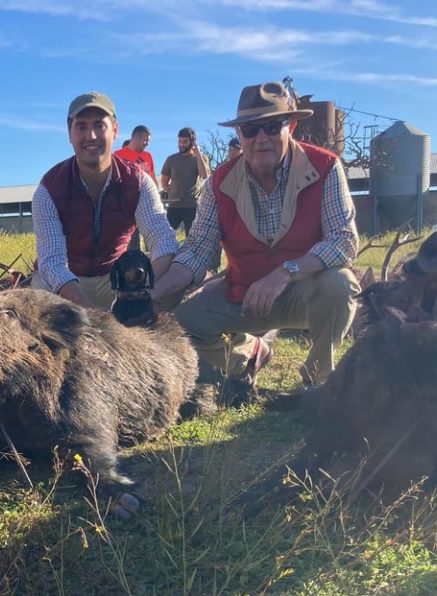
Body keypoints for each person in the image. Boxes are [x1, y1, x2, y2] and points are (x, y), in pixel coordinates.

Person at [152, 81, 359, 391]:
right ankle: (244, 359)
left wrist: (284, 274)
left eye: (272, 127)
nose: (261, 138)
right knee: (181, 323)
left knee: (340, 286)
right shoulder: (218, 183)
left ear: (291, 125)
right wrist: (153, 292)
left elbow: (344, 240)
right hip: (241, 295)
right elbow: (197, 252)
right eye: (250, 130)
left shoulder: (325, 167)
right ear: (239, 134)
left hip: (305, 292)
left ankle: (318, 384)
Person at [31, 92, 179, 310]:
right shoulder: (49, 189)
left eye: (100, 125)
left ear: (115, 130)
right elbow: (52, 264)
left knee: (174, 278)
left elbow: (164, 241)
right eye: (81, 126)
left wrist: (145, 291)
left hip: (116, 280)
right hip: (67, 284)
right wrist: (92, 314)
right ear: (69, 134)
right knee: (40, 293)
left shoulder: (138, 183)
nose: (91, 136)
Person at [160, 127, 210, 236]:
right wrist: (170, 190)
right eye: (180, 141)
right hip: (173, 205)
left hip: (192, 206)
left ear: (192, 142)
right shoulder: (171, 159)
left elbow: (204, 175)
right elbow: (164, 180)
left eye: (185, 142)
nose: (182, 144)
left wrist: (198, 153)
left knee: (192, 239)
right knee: (166, 236)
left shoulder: (200, 158)